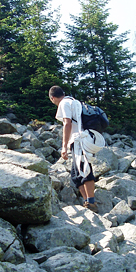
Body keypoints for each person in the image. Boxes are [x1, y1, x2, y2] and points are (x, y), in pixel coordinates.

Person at [48, 85, 98, 213]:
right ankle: (87, 201)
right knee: (76, 174)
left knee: (84, 169)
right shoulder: (75, 101)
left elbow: (67, 123)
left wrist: (63, 146)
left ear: (52, 98)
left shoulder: (64, 103)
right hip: (85, 139)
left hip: (78, 140)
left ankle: (91, 202)